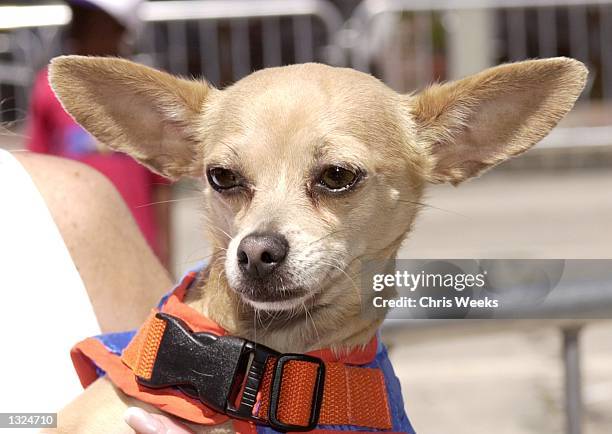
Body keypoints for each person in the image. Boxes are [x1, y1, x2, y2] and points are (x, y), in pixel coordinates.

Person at [26, 0, 172, 267]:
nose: (75, 28)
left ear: (120, 30)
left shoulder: (148, 90)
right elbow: (38, 171)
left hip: (137, 245)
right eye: (75, 17)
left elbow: (161, 185)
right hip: (73, 243)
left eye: (89, 19)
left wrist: (165, 259)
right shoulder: (48, 86)